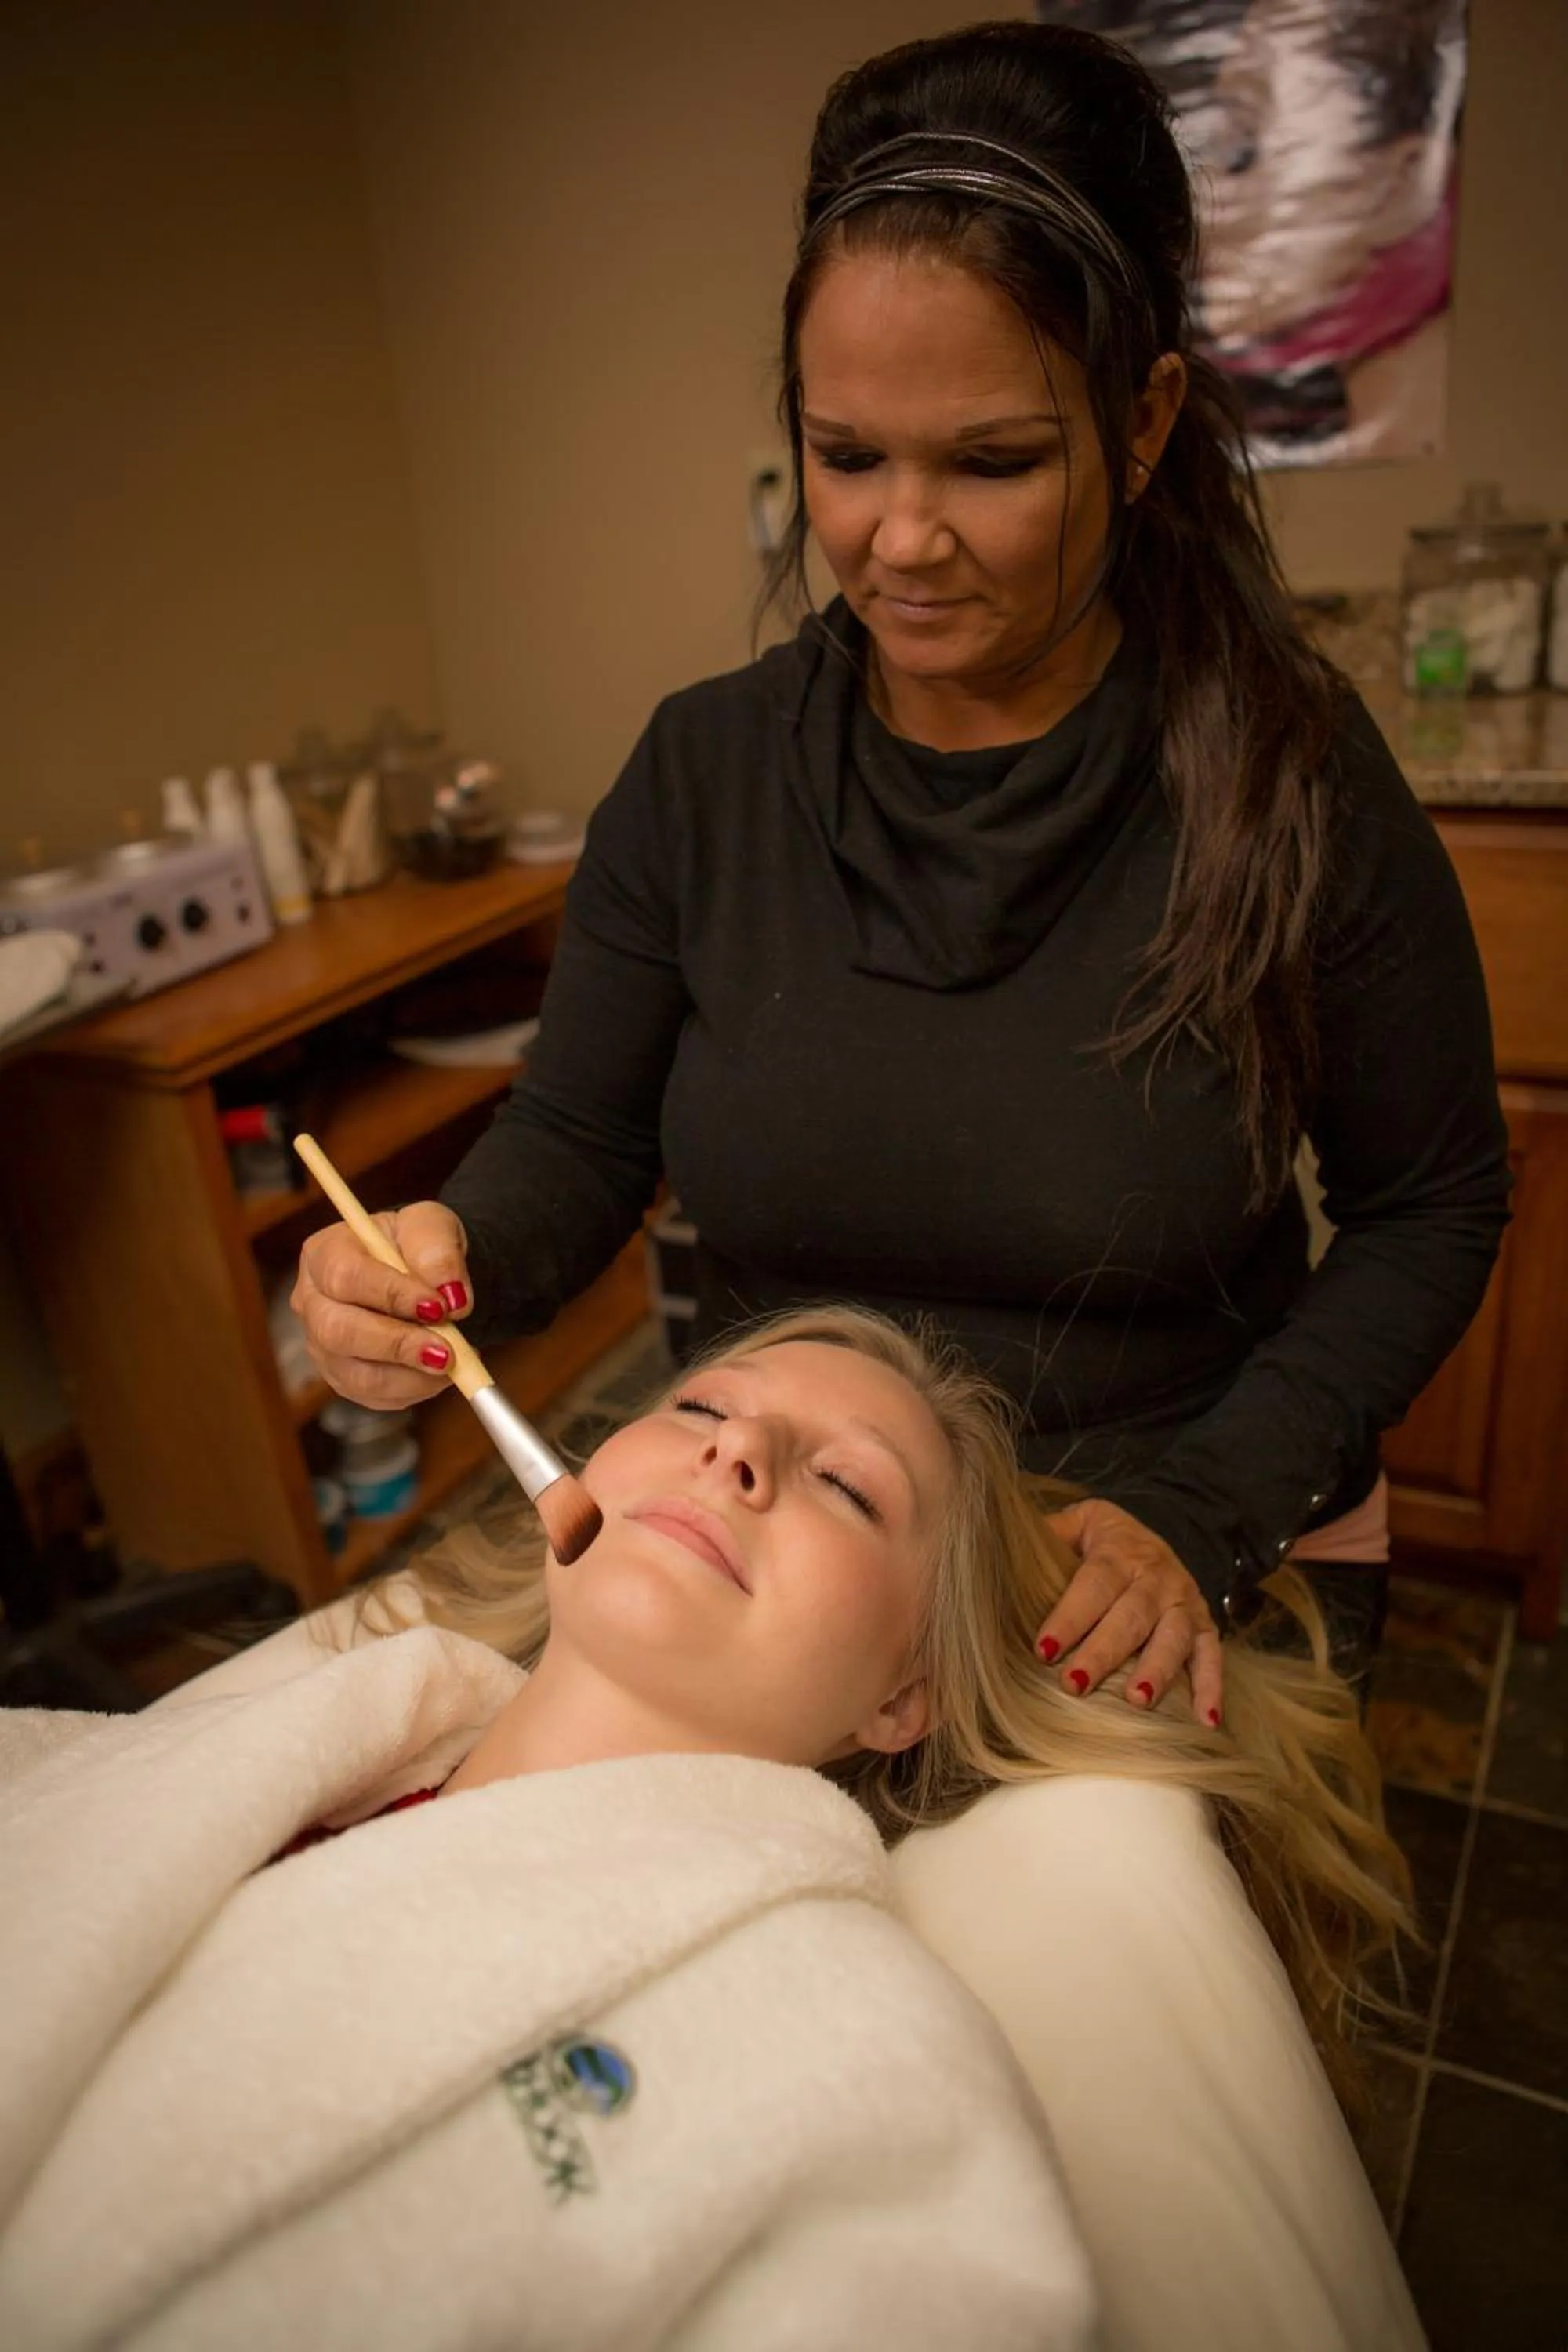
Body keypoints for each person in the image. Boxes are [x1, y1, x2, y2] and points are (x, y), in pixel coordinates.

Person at [293, 20, 1508, 1726]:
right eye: (846, 455)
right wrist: (442, 1258)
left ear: (1144, 418)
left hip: (1157, 1555)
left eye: (992, 464)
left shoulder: (1288, 776)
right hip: (799, 1570)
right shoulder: (707, 773)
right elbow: (575, 1138)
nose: (897, 540)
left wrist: (1204, 1510)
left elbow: (1431, 1206)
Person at [0, 1309, 1415, 2351]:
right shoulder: (291, 1756)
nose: (737, 1446)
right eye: (697, 1411)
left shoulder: (863, 2060)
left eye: (850, 1488)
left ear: (904, 1697)